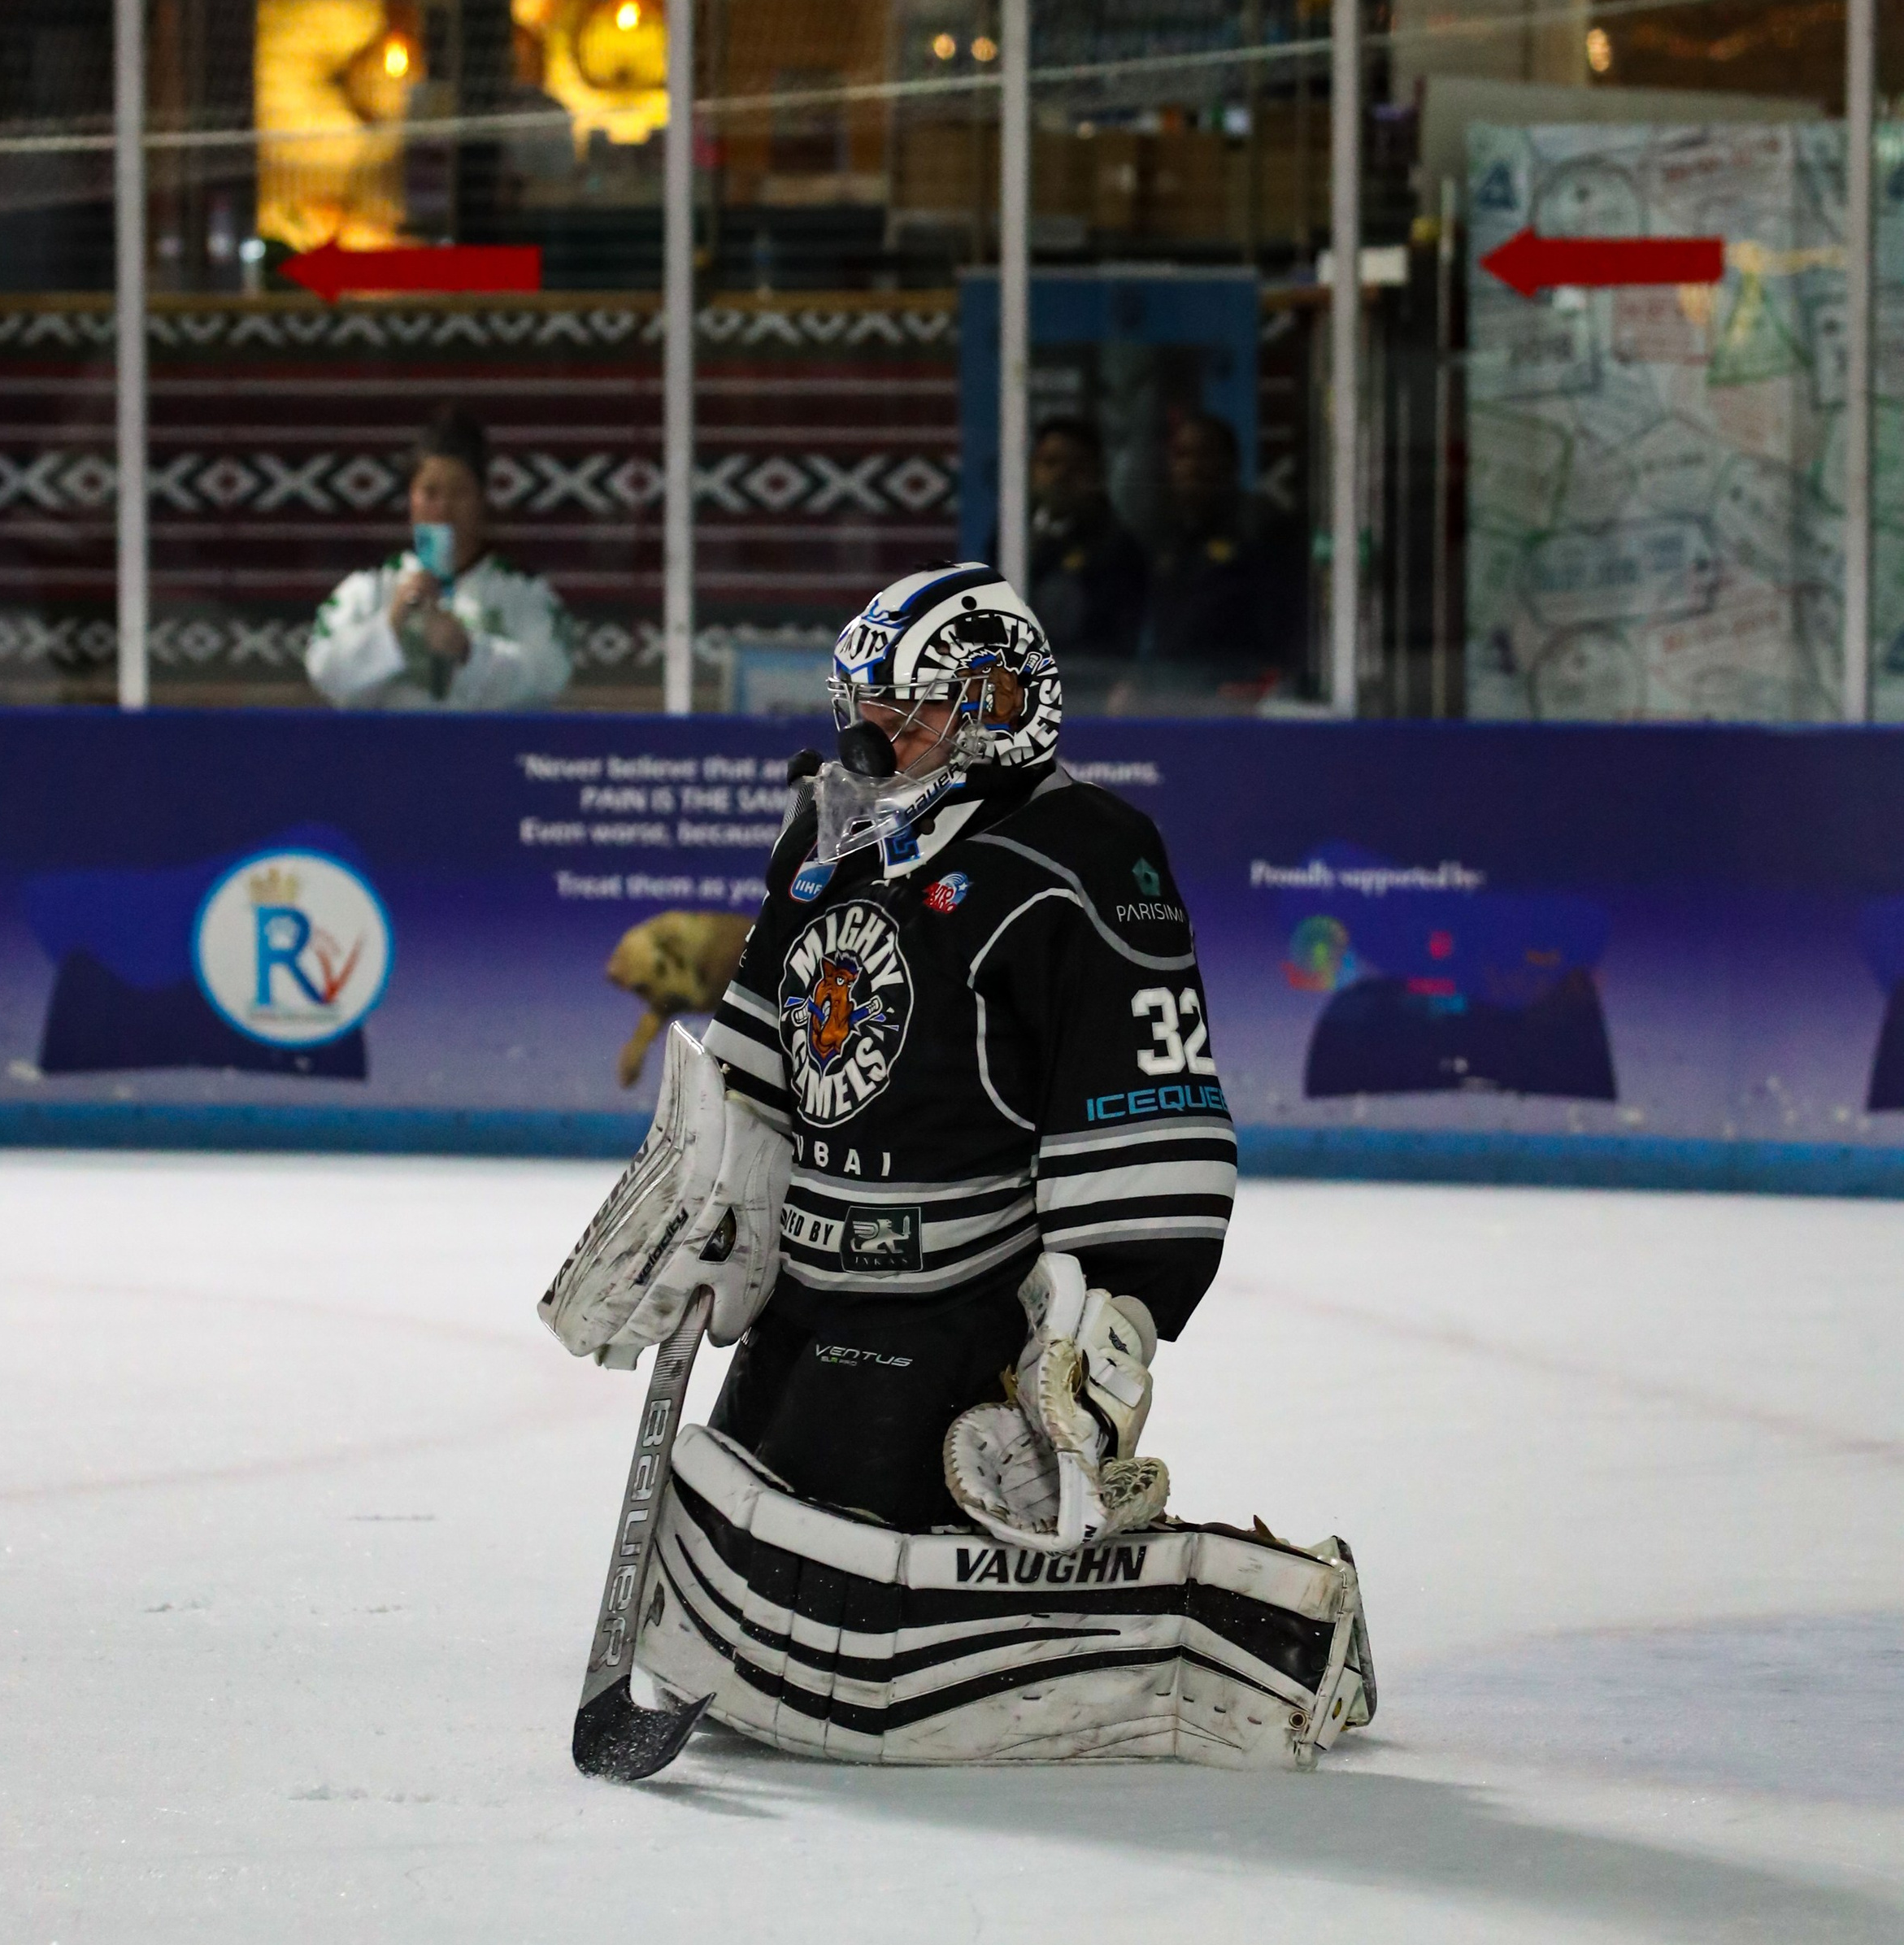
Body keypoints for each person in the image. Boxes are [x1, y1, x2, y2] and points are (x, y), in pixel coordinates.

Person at [538, 564, 1373, 1773]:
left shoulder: (1085, 854)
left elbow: (1151, 1112)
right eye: (865, 709)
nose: (874, 739)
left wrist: (1107, 1330)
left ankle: (1281, 1632)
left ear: (997, 703)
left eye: (909, 712)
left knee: (868, 1594)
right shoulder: (832, 840)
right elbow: (758, 1058)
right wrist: (707, 1207)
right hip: (812, 1299)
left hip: (956, 1310)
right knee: (743, 1562)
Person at [306, 405, 574, 711]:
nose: (443, 508)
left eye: (459, 492)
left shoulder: (523, 592)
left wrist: (469, 653)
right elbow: (326, 674)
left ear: (482, 499)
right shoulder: (370, 587)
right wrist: (391, 623)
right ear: (410, 499)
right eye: (430, 492)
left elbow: (548, 681)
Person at [1138, 408, 1302, 693]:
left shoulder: (1260, 527)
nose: (1192, 467)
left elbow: (1287, 626)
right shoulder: (1165, 532)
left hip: (1238, 690)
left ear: (1231, 464)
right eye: (1182, 456)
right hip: (1172, 689)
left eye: (1205, 455)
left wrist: (1266, 682)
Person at [1024, 416, 1147, 662]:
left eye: (1077, 467)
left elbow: (1125, 634)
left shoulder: (1116, 548)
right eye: (1050, 463)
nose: (1061, 476)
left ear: (1097, 475)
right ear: (1032, 470)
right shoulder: (1012, 537)